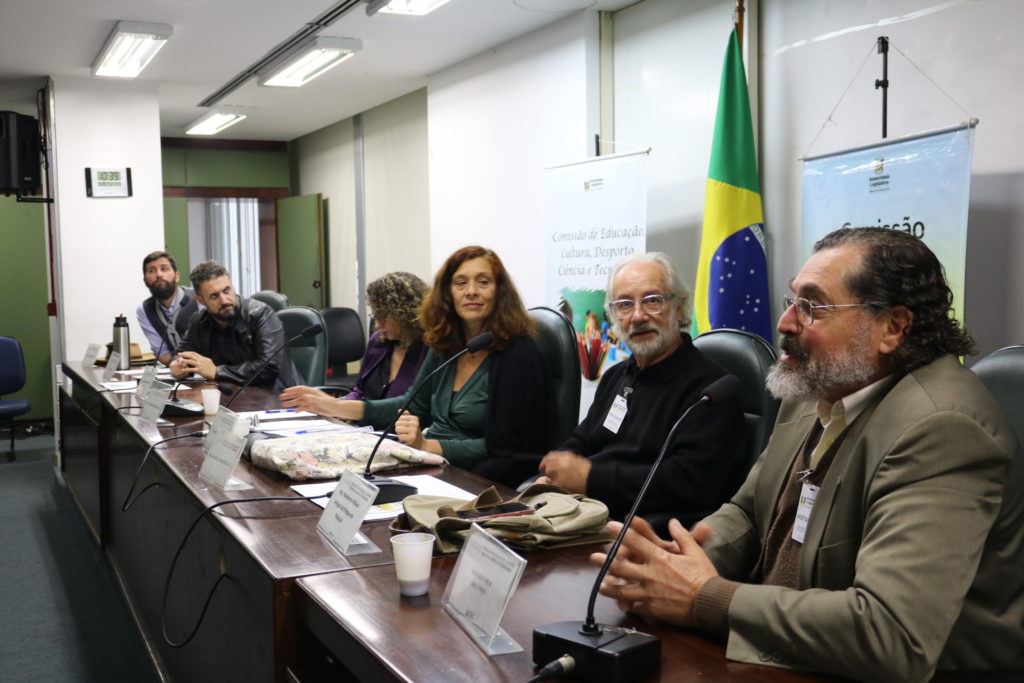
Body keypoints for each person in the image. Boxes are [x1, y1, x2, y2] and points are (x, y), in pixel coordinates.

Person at [593, 228, 1024, 682]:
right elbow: (750, 511)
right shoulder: (815, 384)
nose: (785, 323)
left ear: (893, 328)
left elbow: (891, 635)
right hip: (790, 644)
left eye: (812, 306)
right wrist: (679, 563)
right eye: (791, 300)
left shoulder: (942, 428)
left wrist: (705, 597)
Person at [280, 246, 552, 474]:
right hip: (431, 464)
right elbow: (412, 404)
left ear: (499, 292)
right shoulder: (446, 343)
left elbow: (511, 448)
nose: (471, 291)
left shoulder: (518, 353)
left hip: (483, 475)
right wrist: (333, 406)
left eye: (483, 282)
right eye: (461, 282)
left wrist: (428, 446)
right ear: (447, 293)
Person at [536, 252, 744, 524]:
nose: (637, 316)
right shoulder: (616, 376)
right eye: (624, 304)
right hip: (588, 515)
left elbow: (686, 483)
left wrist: (590, 478)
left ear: (679, 308)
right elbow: (586, 438)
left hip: (645, 534)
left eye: (652, 301)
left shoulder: (710, 391)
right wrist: (556, 469)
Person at [170, 260, 300, 392]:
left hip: (276, 397)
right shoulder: (199, 321)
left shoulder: (260, 314)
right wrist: (178, 366)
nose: (224, 300)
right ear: (201, 300)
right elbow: (180, 354)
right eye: (214, 296)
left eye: (227, 290)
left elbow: (269, 367)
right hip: (232, 395)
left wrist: (217, 371)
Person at [343, 272, 429, 401]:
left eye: (383, 317)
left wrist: (355, 410)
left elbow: (415, 405)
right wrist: (340, 405)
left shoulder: (430, 349)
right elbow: (359, 391)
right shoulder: (378, 341)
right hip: (364, 420)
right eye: (375, 316)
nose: (377, 325)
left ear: (404, 315)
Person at [136, 250, 200, 365]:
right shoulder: (144, 310)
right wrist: (179, 365)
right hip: (179, 371)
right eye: (151, 271)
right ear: (145, 281)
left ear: (176, 276)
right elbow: (162, 352)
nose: (159, 274)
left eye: (164, 269)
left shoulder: (199, 298)